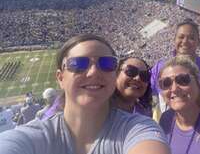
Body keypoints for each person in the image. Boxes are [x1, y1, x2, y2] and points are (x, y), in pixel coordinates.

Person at [0, 34, 170, 154]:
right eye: (79, 63)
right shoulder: (30, 137)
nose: (93, 72)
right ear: (60, 77)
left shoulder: (140, 128)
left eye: (107, 63)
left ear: (113, 74)